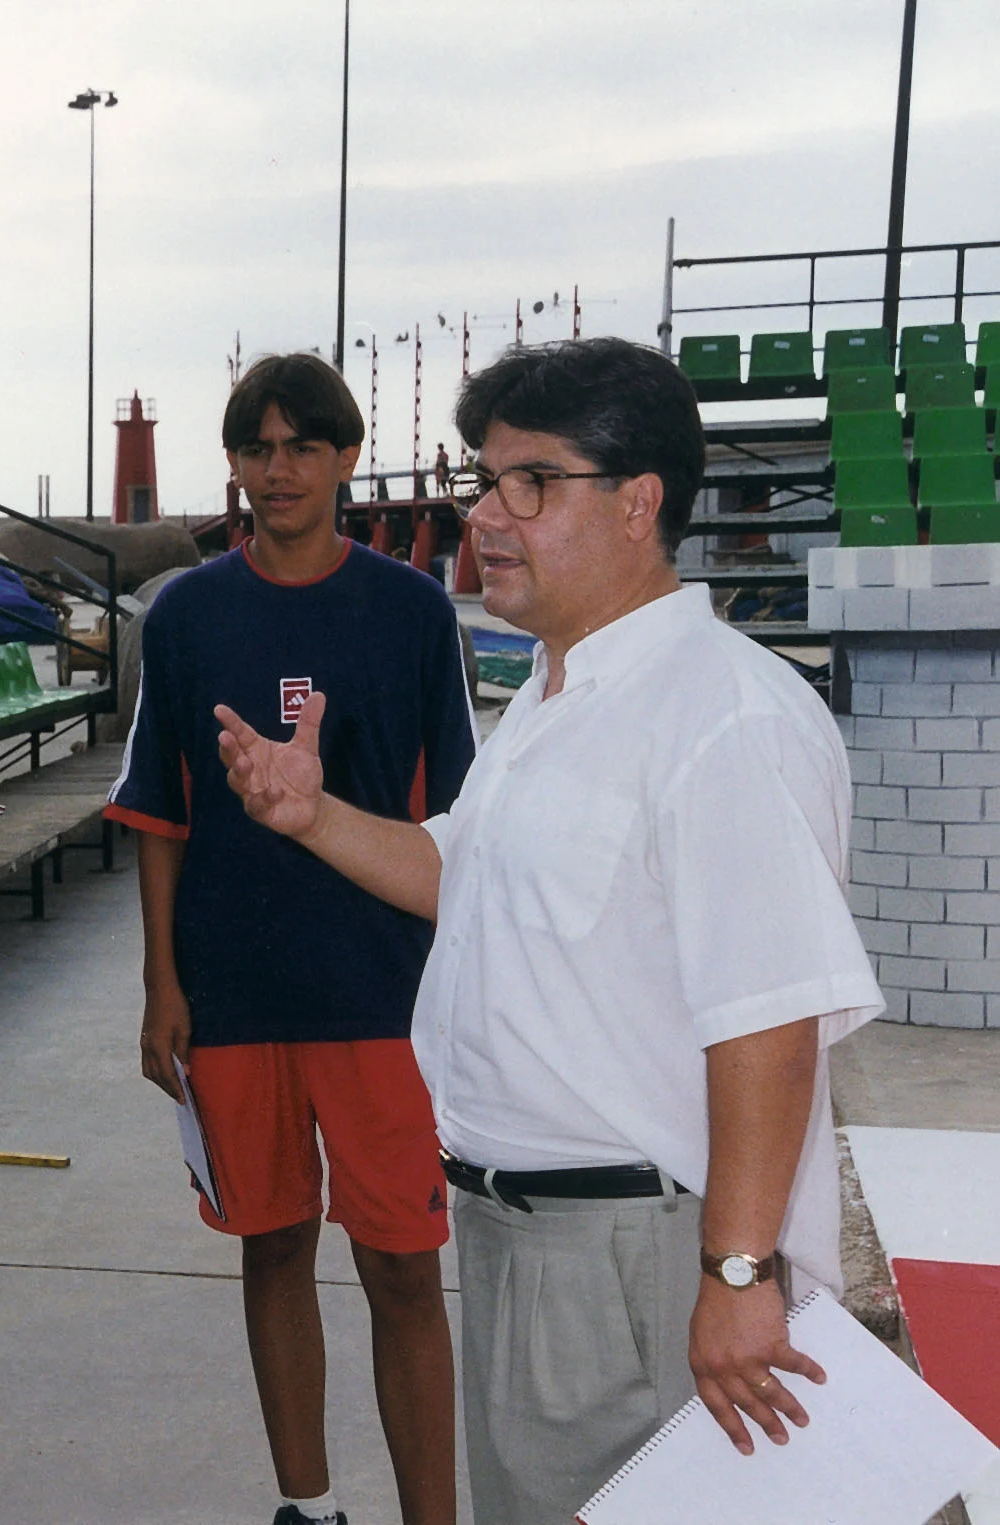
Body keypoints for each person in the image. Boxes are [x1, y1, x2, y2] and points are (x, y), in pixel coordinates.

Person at [215, 337, 883, 1523]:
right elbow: (454, 873)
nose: (488, 516)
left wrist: (738, 1274)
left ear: (639, 504)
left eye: (532, 483)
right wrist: (311, 815)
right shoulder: (555, 693)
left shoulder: (720, 717)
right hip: (535, 1239)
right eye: (487, 481)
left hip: (637, 1250)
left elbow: (770, 1019)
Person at [107, 352, 473, 1525]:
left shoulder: (413, 611)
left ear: (346, 459)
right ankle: (306, 1505)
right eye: (256, 449)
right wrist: (163, 981)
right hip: (234, 991)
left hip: (380, 994)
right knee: (272, 1250)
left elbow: (458, 825)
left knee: (404, 1271)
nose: (277, 470)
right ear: (235, 462)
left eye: (301, 447)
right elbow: (160, 814)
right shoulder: (188, 613)